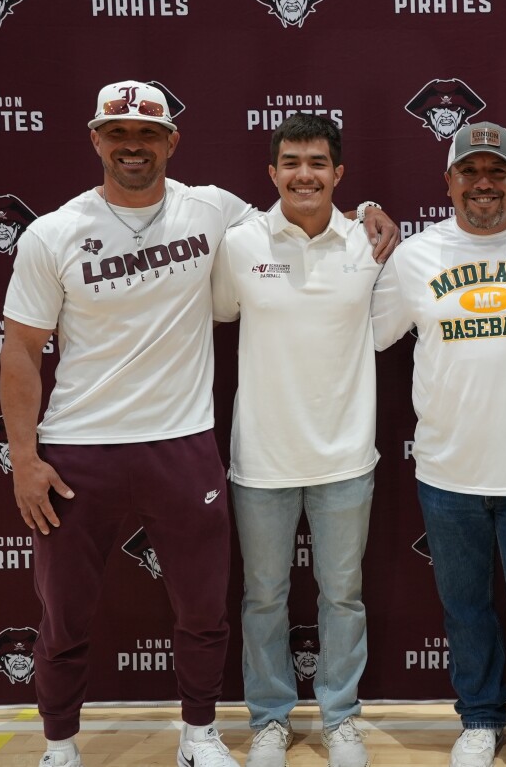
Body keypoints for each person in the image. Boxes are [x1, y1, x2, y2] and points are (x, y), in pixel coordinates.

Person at [0, 82, 395, 767]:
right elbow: (20, 349)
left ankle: (201, 733)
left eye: (148, 134)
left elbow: (305, 207)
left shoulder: (213, 211)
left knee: (205, 611)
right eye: (118, 132)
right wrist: (25, 457)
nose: (132, 145)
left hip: (181, 443)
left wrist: (368, 210)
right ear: (95, 138)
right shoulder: (52, 232)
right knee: (63, 615)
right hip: (79, 449)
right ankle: (59, 743)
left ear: (171, 142)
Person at [371, 122, 506, 767]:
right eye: (470, 172)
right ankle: (481, 719)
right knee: (465, 609)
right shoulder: (414, 257)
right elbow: (360, 336)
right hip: (446, 469)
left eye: (498, 171)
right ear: (448, 182)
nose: (484, 183)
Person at [210, 114, 379, 767]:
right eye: (291, 161)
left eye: (317, 162)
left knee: (342, 595)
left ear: (339, 172)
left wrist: (371, 211)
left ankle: (340, 717)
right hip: (262, 458)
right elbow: (222, 310)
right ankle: (271, 719)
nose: (304, 173)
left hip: (345, 455)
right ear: (272, 172)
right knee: (264, 596)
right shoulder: (239, 243)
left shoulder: (370, 240)